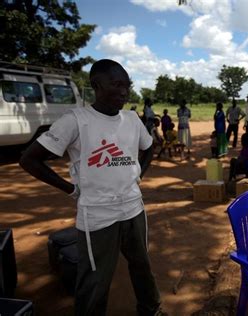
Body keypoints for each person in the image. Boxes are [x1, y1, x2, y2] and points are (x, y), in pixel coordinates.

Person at [19, 59, 163, 315]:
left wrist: (138, 172)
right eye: (116, 84)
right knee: (95, 280)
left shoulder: (131, 119)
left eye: (126, 86)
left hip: (133, 210)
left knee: (142, 265)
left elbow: (149, 146)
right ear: (96, 85)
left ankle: (151, 309)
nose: (123, 92)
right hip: (97, 216)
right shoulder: (75, 120)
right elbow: (29, 159)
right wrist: (70, 189)